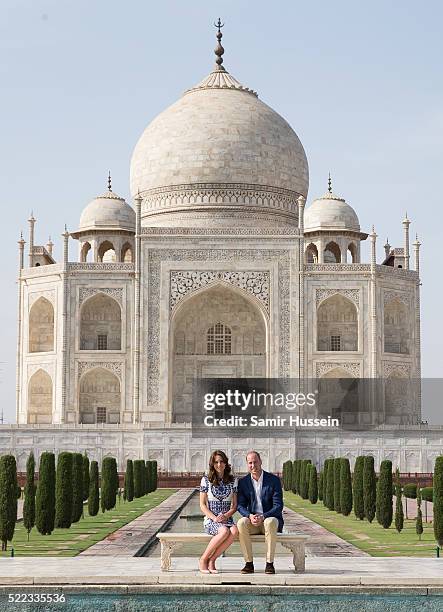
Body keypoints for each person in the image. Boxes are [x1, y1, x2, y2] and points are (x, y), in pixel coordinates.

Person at [237, 450, 283, 574]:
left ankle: (269, 563)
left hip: (268, 520)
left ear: (261, 462)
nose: (253, 465)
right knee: (241, 523)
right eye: (250, 463)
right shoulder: (243, 482)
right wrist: (249, 516)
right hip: (253, 522)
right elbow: (240, 505)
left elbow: (278, 506)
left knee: (271, 521)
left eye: (255, 462)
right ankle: (248, 563)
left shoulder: (273, 480)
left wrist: (263, 516)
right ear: (247, 464)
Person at [199, 450, 239, 574]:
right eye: (216, 462)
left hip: (227, 519)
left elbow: (235, 505)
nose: (219, 464)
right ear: (212, 464)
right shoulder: (206, 480)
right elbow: (202, 505)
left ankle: (212, 560)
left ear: (226, 464)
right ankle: (203, 559)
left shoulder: (233, 481)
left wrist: (226, 515)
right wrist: (214, 518)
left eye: (221, 461)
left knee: (235, 530)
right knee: (224, 531)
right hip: (211, 520)